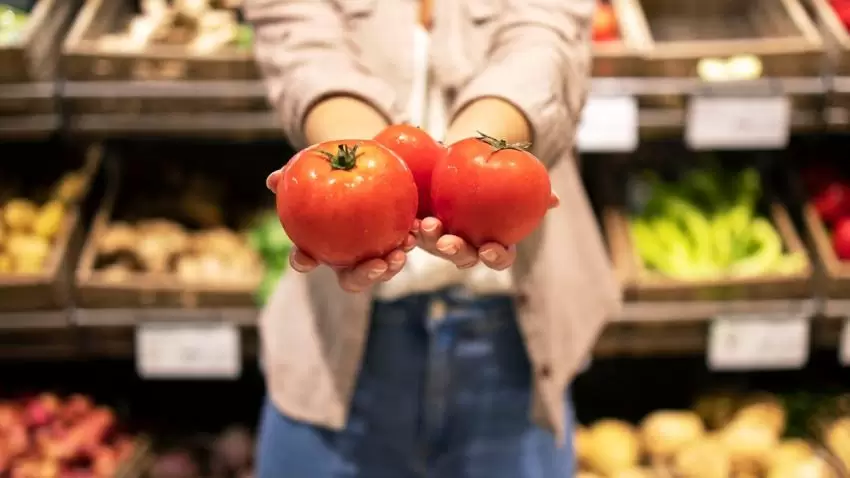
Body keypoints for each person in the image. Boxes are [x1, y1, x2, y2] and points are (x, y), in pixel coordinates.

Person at [244, 0, 621, 476]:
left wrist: (477, 153)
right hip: (334, 344)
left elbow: (544, 39)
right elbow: (302, 48)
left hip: (517, 343)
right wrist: (358, 160)